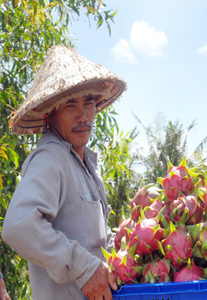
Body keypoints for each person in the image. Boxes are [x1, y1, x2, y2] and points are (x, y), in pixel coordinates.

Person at [2, 45, 127, 300]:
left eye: (89, 103)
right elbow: (18, 226)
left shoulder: (86, 165)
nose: (83, 116)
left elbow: (92, 243)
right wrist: (83, 268)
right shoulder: (51, 158)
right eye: (70, 105)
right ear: (50, 114)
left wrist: (123, 240)